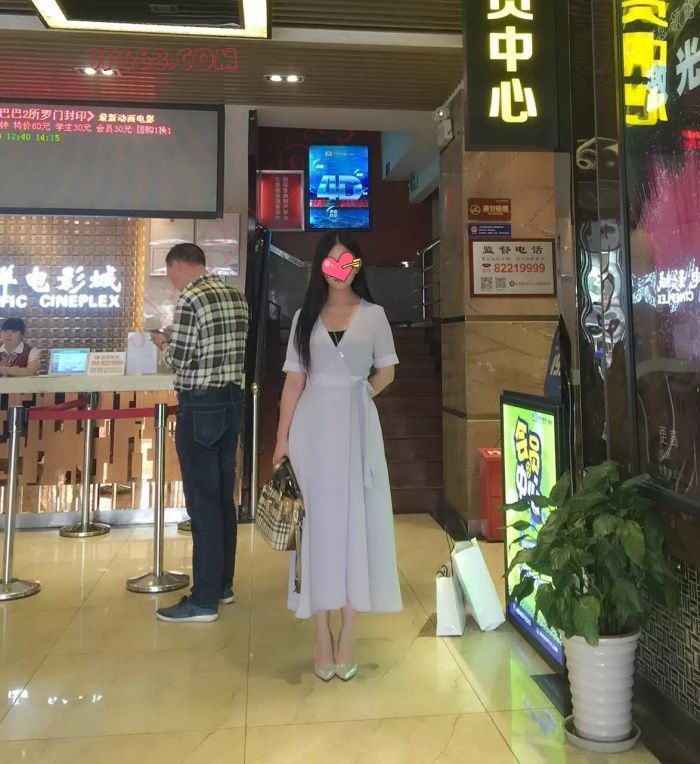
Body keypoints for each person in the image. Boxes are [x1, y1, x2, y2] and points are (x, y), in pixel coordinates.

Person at [273, 231, 402, 682]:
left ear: (358, 266)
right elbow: (293, 380)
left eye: (347, 261)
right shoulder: (303, 317)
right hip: (311, 432)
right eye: (331, 261)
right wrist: (281, 438)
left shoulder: (374, 315)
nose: (339, 269)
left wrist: (361, 393)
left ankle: (348, 628)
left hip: (357, 432)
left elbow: (387, 371)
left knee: (355, 523)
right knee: (317, 528)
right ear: (320, 267)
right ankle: (320, 632)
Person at [151, 243, 248, 623]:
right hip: (232, 402)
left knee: (203, 503)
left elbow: (181, 358)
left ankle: (204, 600)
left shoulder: (191, 298)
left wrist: (163, 342)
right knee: (222, 498)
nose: (171, 280)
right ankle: (223, 585)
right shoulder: (235, 295)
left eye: (169, 272)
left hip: (201, 405)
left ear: (177, 265)